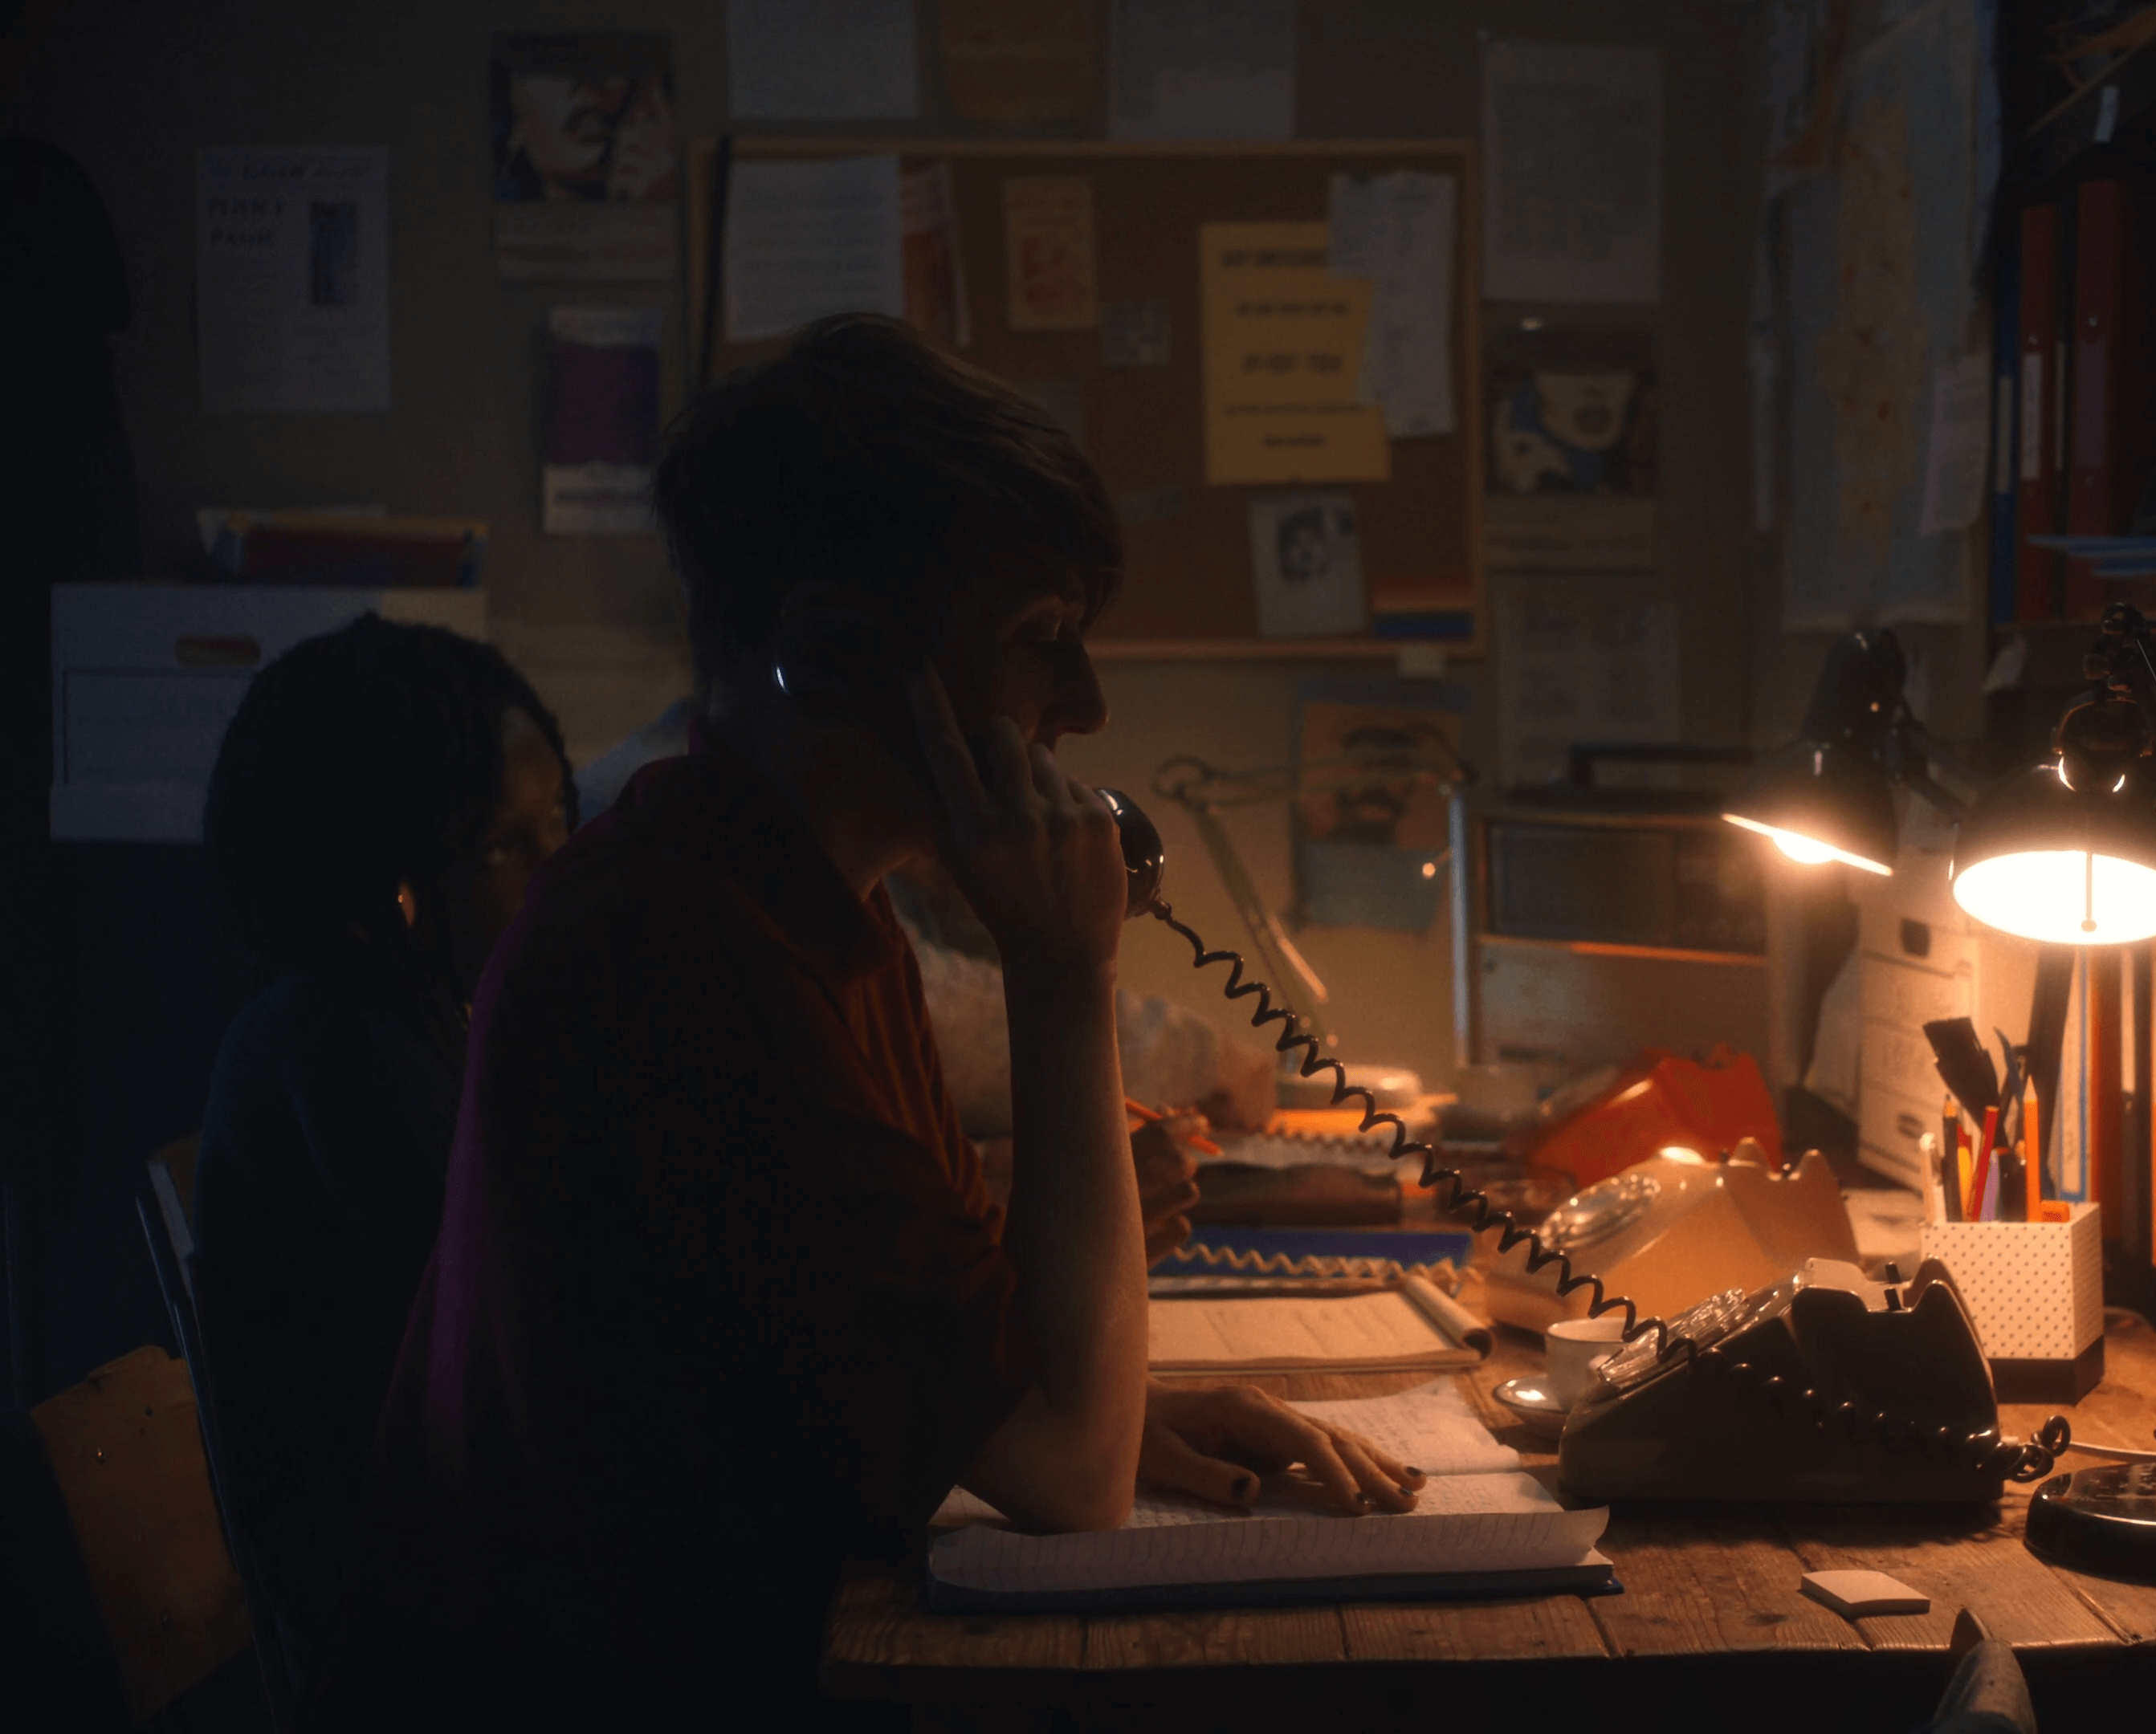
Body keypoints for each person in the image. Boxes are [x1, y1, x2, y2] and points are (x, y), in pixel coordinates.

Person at [321, 315, 1420, 1732]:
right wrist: (1061, 967)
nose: (1084, 707)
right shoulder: (684, 952)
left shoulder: (800, 901)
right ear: (834, 659)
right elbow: (1069, 1480)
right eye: (1042, 642)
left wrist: (1129, 1419)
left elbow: (991, 1362)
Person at [192, 616, 575, 1714]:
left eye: (560, 822)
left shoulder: (399, 1030)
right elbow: (537, 1360)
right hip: (439, 1677)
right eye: (509, 844)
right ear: (388, 879)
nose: (559, 870)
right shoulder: (336, 1053)